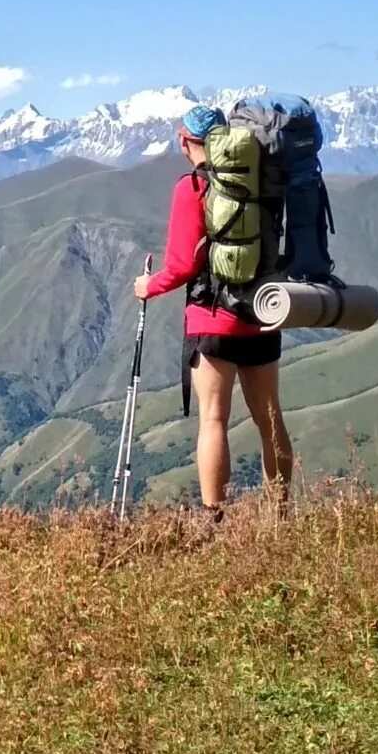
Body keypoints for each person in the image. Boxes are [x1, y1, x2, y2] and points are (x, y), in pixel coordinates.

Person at [133, 106, 292, 521]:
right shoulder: (257, 180)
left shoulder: (191, 188)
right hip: (262, 311)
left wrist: (147, 287)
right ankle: (281, 516)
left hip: (213, 318)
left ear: (186, 141)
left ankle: (213, 519)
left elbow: (182, 264)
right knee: (270, 419)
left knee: (214, 420)